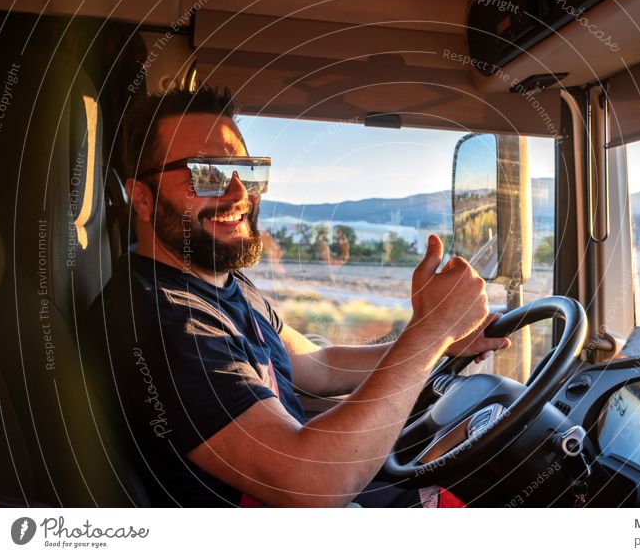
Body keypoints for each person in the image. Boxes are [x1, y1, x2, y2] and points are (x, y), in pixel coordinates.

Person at [91, 85, 510, 507]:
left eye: (247, 173)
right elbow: (308, 481)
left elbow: (319, 365)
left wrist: (442, 343)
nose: (240, 195)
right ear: (142, 199)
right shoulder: (162, 321)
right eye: (208, 173)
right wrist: (429, 332)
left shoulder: (222, 285)